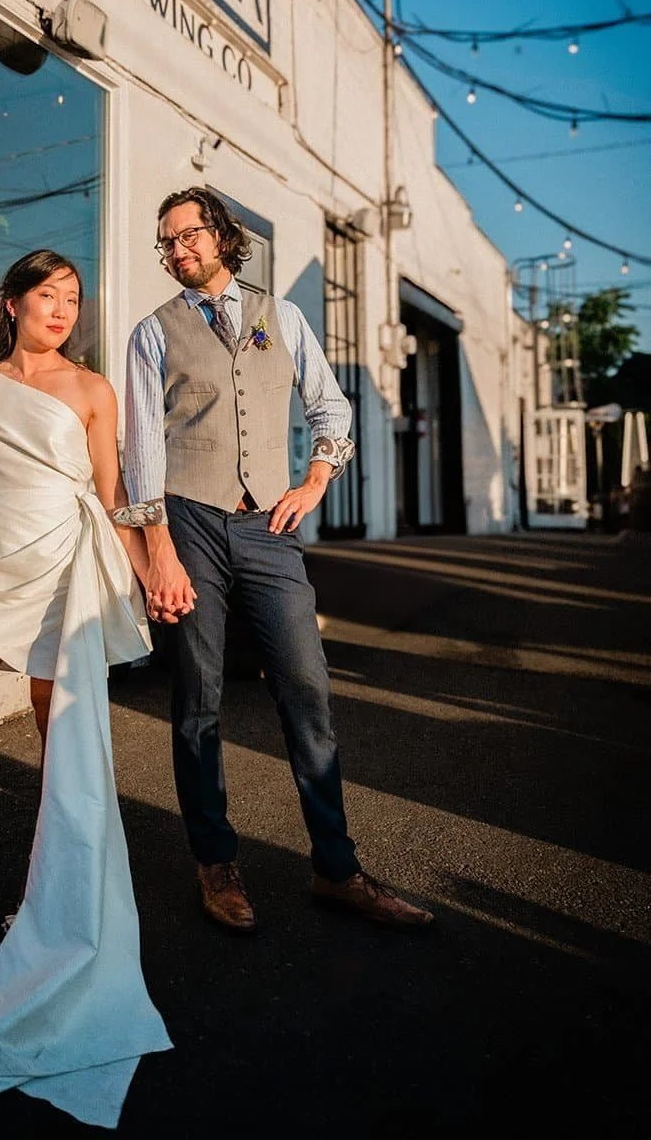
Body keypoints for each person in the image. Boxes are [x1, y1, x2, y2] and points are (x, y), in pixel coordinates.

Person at [0, 249, 171, 1129]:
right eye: (47, 296)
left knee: (61, 748)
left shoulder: (91, 388)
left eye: (73, 298)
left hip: (60, 572)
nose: (63, 310)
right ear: (9, 305)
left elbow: (114, 491)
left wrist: (148, 570)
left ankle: (47, 903)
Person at [123, 187, 433, 934]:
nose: (176, 250)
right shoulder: (150, 332)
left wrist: (316, 479)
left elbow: (330, 408)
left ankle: (337, 868)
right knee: (197, 697)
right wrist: (156, 552)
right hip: (187, 519)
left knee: (305, 687)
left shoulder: (283, 317)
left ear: (222, 236)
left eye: (187, 235)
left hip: (266, 523)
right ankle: (215, 863)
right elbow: (141, 450)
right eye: (165, 242)